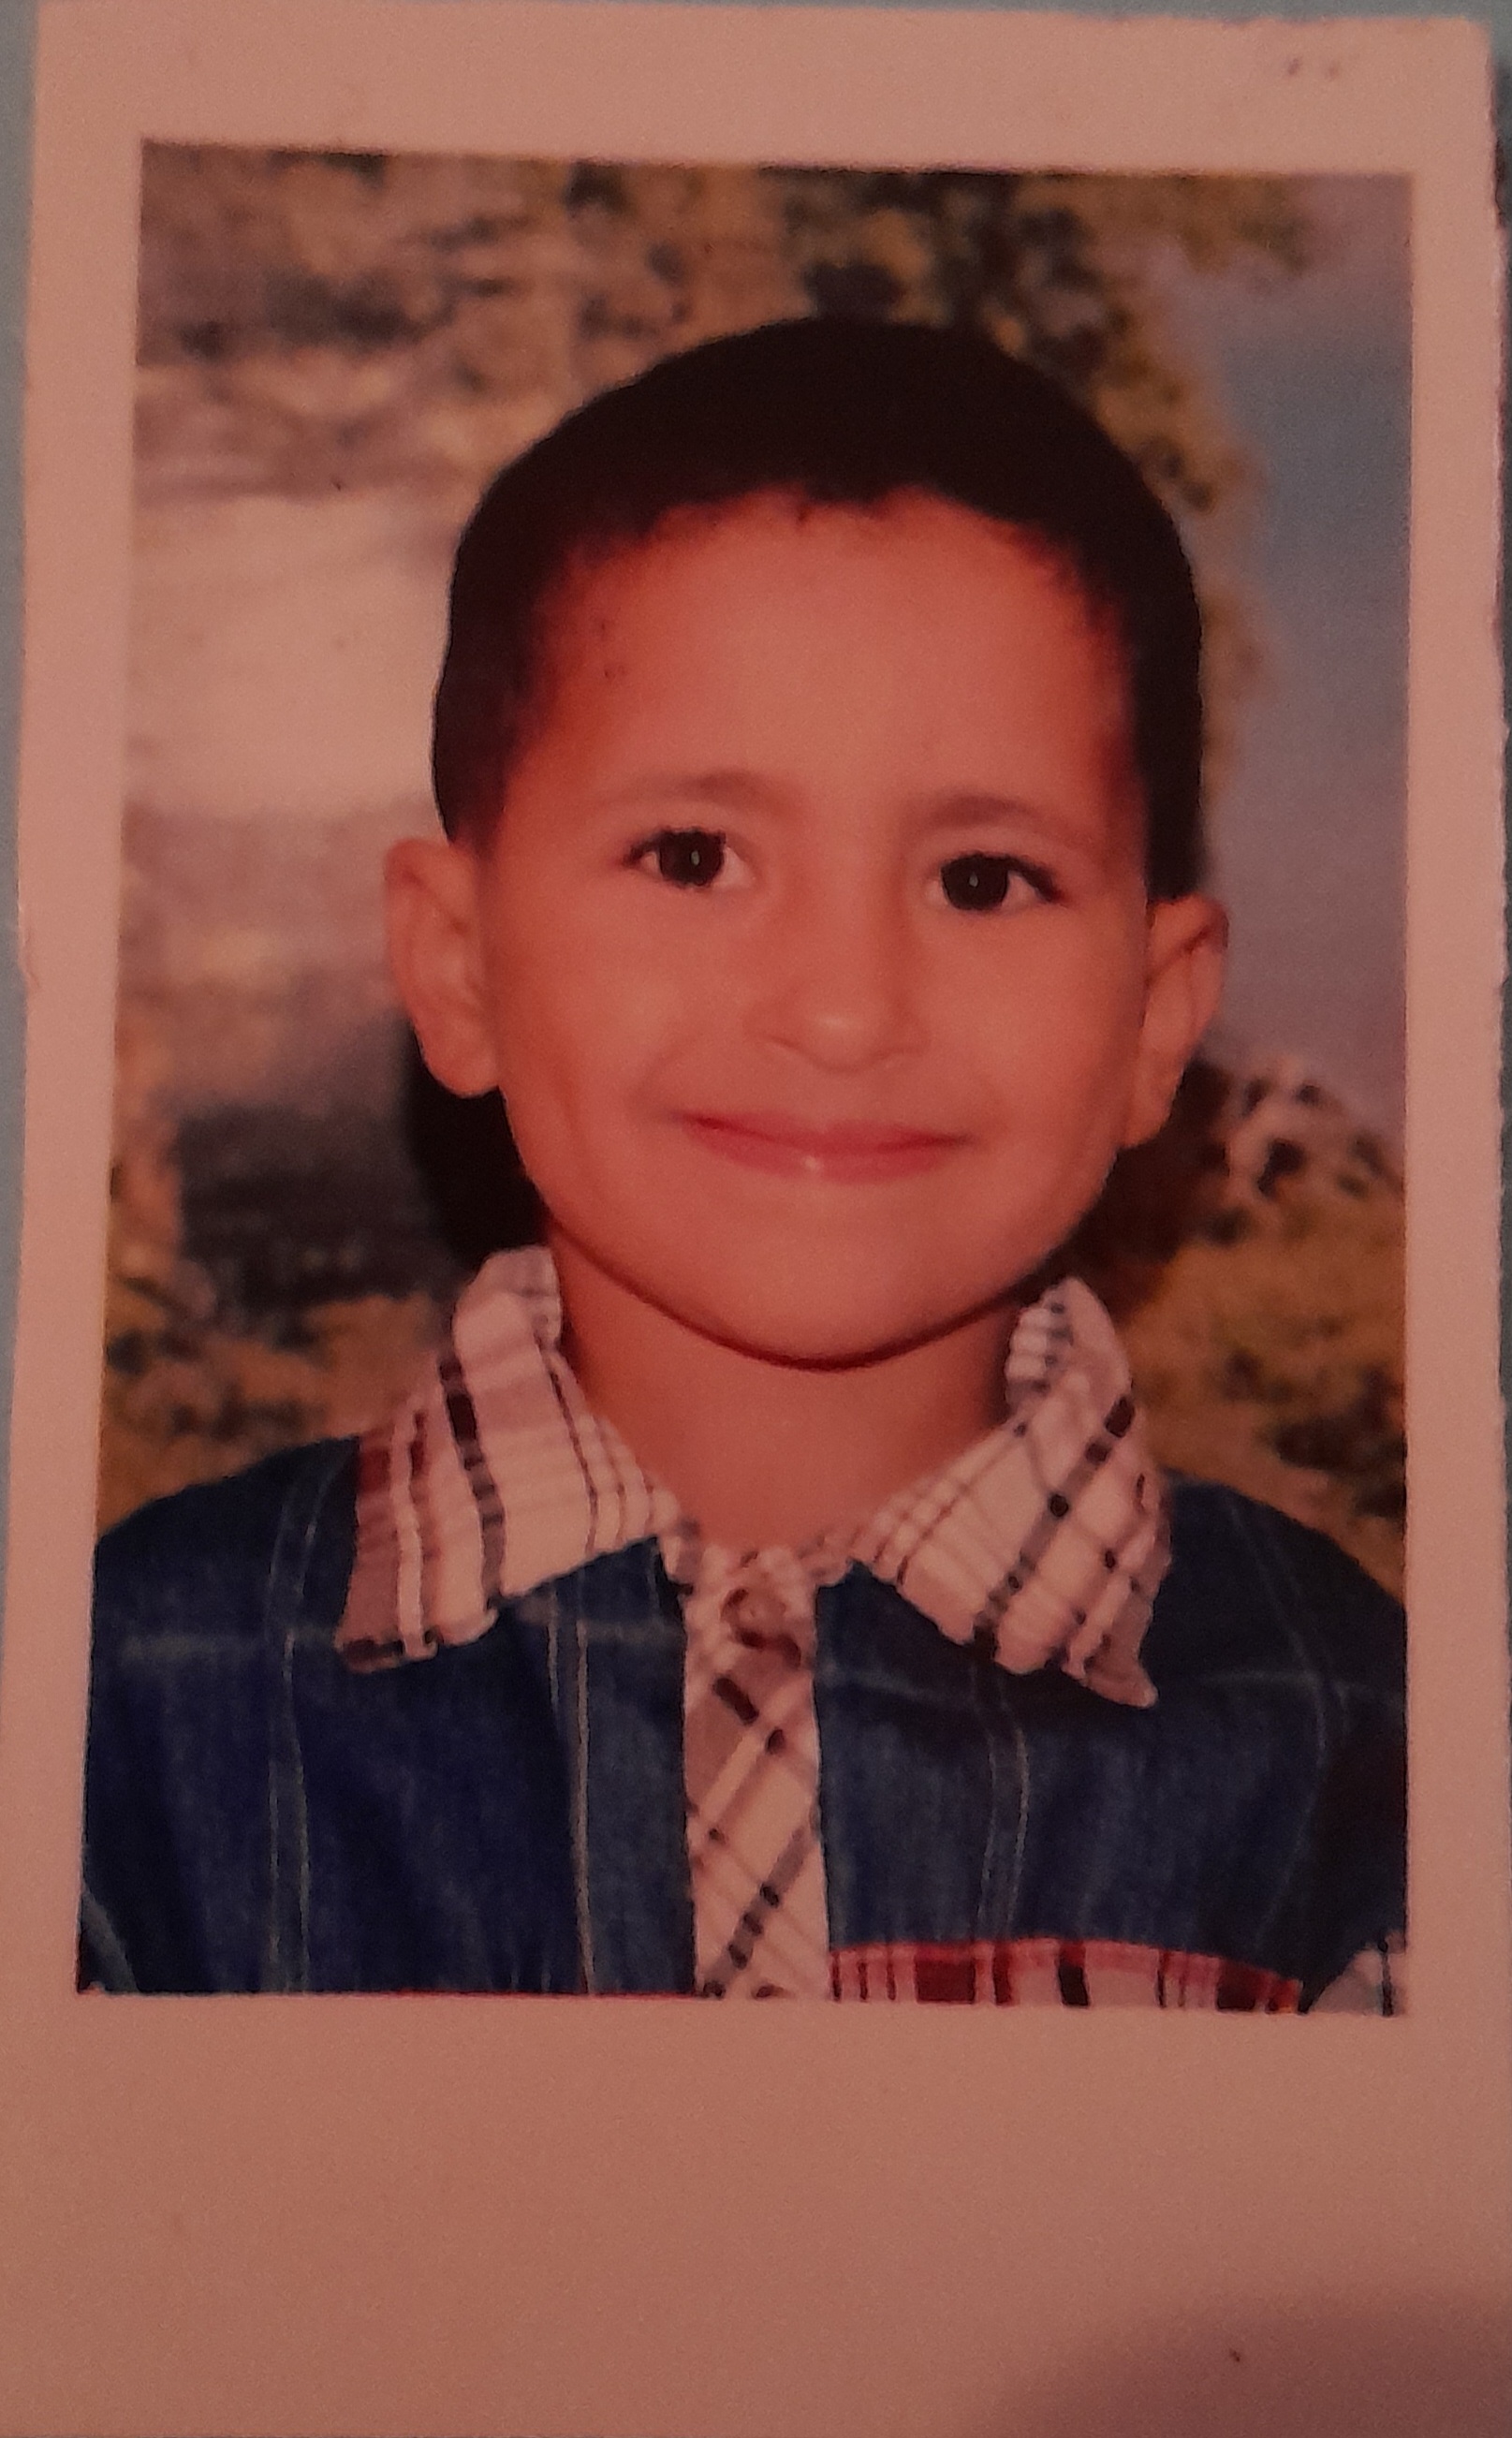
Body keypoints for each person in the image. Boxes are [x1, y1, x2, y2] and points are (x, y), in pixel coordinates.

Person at [80, 318, 1405, 2006]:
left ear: (1158, 1016)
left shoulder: (1367, 1746)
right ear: (459, 966)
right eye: (694, 857)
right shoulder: (113, 1696)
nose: (844, 1010)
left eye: (983, 880)